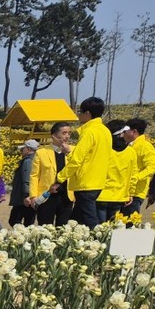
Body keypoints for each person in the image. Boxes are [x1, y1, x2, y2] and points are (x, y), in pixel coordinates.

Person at [58, 97, 110, 227]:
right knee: (75, 222)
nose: (78, 115)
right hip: (98, 182)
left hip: (85, 183)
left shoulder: (89, 132)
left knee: (90, 221)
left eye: (80, 112)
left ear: (87, 113)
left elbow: (77, 160)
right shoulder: (105, 131)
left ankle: (100, 239)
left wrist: (60, 177)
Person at [28, 123, 74, 225]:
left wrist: (68, 153)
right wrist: (33, 196)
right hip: (47, 195)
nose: (67, 136)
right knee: (45, 226)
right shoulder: (42, 152)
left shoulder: (73, 150)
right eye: (64, 133)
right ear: (54, 135)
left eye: (69, 133)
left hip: (67, 196)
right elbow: (34, 175)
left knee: (64, 227)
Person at [95, 120, 136, 225]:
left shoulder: (103, 149)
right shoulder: (131, 152)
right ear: (120, 134)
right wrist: (130, 193)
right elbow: (133, 175)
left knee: (100, 228)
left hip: (100, 195)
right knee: (114, 228)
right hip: (119, 196)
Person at [122, 119, 155, 217]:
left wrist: (137, 177)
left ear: (134, 131)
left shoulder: (145, 146)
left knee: (130, 221)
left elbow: (153, 166)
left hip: (136, 192)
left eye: (125, 131)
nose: (123, 133)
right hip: (125, 190)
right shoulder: (129, 145)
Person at [9, 140, 40, 227]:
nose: (21, 151)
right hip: (32, 196)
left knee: (15, 221)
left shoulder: (28, 161)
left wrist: (27, 195)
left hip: (24, 198)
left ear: (29, 149)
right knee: (28, 222)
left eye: (23, 149)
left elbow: (27, 179)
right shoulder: (36, 159)